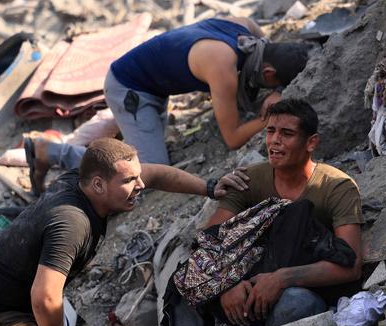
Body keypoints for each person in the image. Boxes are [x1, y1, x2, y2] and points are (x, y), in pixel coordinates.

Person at [0, 138, 247, 326]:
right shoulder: (72, 223)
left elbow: (154, 175)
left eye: (137, 176)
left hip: (15, 302)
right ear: (98, 184)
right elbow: (44, 298)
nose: (140, 185)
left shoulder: (84, 179)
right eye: (129, 181)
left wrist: (209, 187)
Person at [167, 99, 365, 326]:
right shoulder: (249, 179)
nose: (274, 141)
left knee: (297, 303)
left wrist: (282, 278)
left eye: (287, 134)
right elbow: (208, 243)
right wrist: (227, 284)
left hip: (296, 286)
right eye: (270, 131)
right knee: (184, 285)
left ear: (311, 142)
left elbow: (350, 266)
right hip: (247, 280)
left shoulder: (337, 187)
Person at [26, 16, 311, 195]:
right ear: (270, 73)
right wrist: (267, 117)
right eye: (273, 85)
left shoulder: (246, 28)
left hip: (153, 81)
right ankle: (49, 151)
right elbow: (233, 138)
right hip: (130, 88)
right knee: (146, 173)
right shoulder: (222, 68)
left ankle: (128, 130)